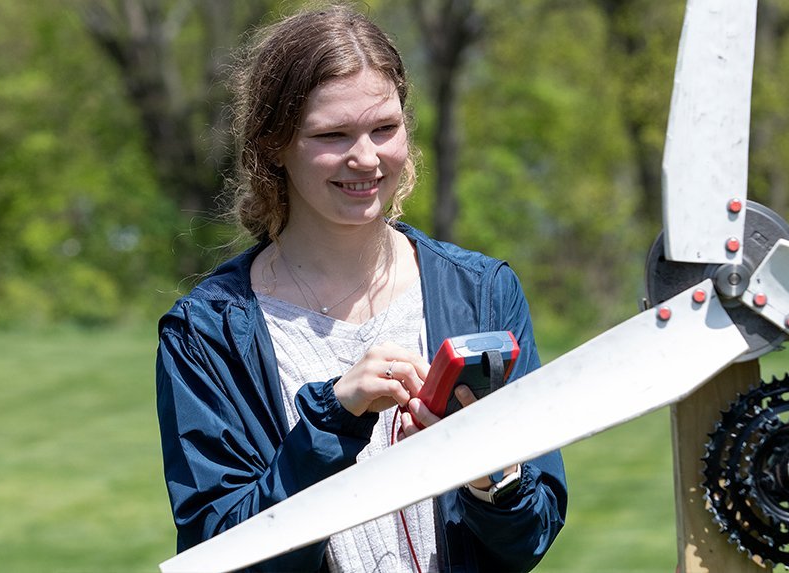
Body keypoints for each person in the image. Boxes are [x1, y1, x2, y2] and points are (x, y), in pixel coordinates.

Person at [155, 3, 567, 572]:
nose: (366, 158)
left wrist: (488, 475)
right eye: (333, 134)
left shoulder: (483, 293)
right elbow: (219, 552)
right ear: (275, 143)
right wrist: (331, 421)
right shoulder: (208, 333)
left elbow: (532, 536)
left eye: (384, 128)